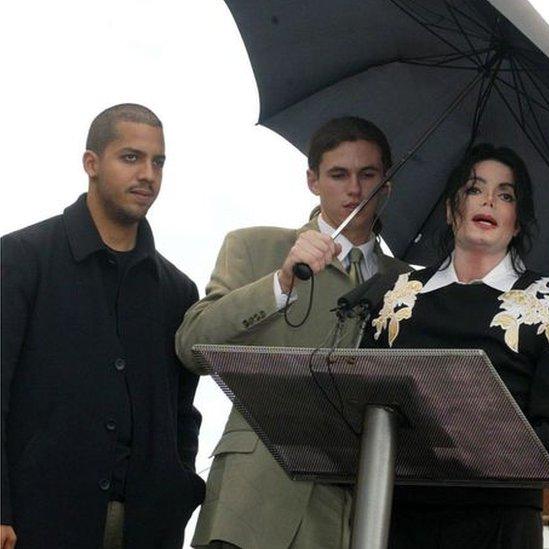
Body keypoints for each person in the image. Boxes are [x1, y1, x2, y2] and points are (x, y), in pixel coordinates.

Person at [176, 116, 411, 549]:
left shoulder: (407, 284)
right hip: (250, 502)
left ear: (387, 184)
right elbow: (193, 346)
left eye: (368, 175)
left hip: (350, 511)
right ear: (312, 181)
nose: (354, 190)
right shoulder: (254, 247)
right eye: (338, 175)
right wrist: (280, 282)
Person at [360, 143, 549, 549]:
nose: (489, 200)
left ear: (517, 222)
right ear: (451, 209)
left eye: (506, 195)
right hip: (397, 518)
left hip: (499, 525)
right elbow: (360, 408)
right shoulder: (395, 297)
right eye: (474, 189)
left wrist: (460, 430)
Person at [1, 104, 204, 548]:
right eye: (131, 157)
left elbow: (182, 415)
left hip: (146, 529)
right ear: (91, 163)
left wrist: (180, 491)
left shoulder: (178, 291)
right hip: (34, 523)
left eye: (159, 161)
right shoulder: (20, 260)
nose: (148, 174)